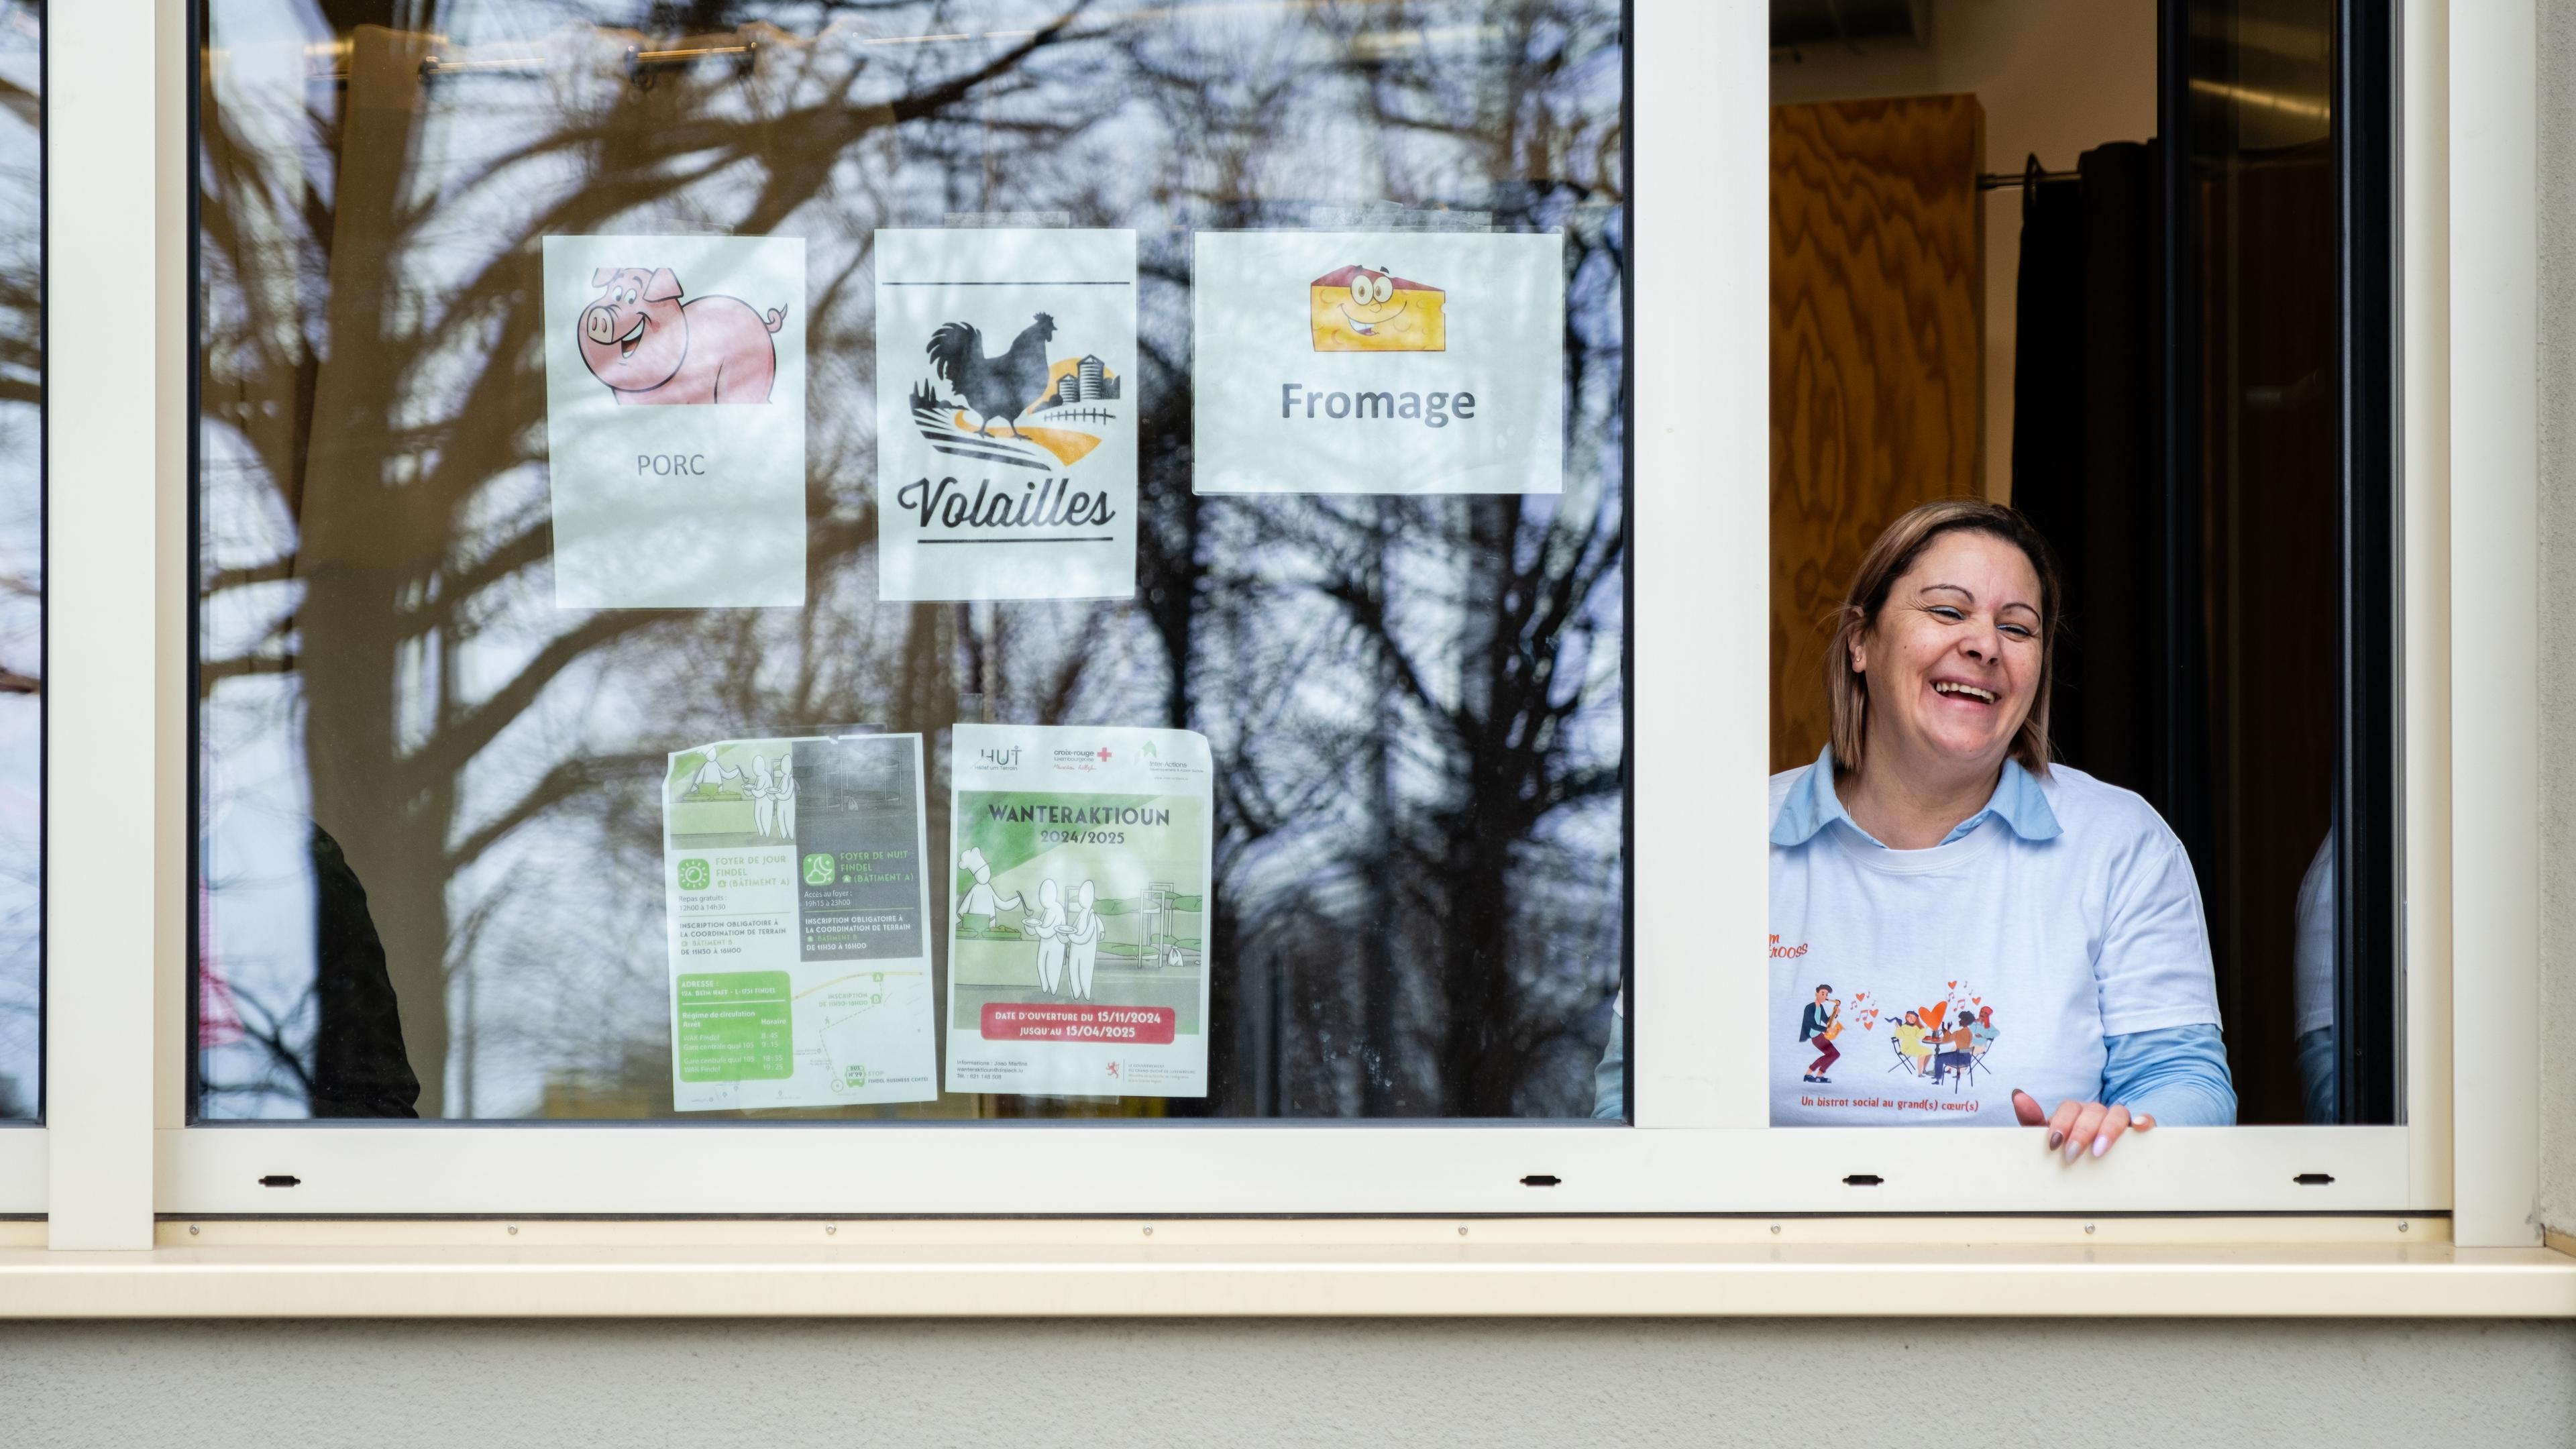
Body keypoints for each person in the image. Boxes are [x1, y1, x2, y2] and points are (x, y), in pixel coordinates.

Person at [1592, 499, 2236, 1155]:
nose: (1984, 644)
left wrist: (2131, 1132)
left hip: (2030, 1248)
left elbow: (2183, 1081)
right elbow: (1635, 1102)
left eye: (2017, 628)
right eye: (1948, 612)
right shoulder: (1724, 842)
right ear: (1860, 640)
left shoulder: (2119, 843)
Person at [1065, 880, 1103, 1001]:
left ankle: (1086, 995)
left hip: (1086, 950)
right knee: (1073, 970)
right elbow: (1074, 928)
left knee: (1085, 972)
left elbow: (1086, 936)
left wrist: (1071, 937)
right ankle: (1076, 994)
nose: (1081, 899)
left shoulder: (1092, 916)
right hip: (1075, 949)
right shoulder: (1081, 914)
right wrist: (1067, 933)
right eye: (1081, 896)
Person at [1029, 878, 1067, 996]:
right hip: (1044, 944)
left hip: (1056, 946)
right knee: (1041, 964)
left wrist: (1036, 928)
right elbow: (1040, 925)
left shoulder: (1058, 910)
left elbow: (1049, 932)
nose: (1042, 900)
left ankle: (1053, 990)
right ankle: (1045, 988)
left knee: (1052, 967)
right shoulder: (1047, 910)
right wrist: (1031, 926)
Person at [1799, 984, 1840, 1083]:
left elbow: (1826, 1021)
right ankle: (1810, 1074)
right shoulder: (1809, 1008)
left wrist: (1835, 1013)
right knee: (1834, 1054)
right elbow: (1813, 1024)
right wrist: (1827, 1030)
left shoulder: (1820, 1007)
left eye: (1826, 995)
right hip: (1815, 1036)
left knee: (1834, 1054)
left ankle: (1817, 1075)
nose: (1825, 997)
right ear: (1816, 993)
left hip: (1819, 1035)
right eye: (1822, 993)